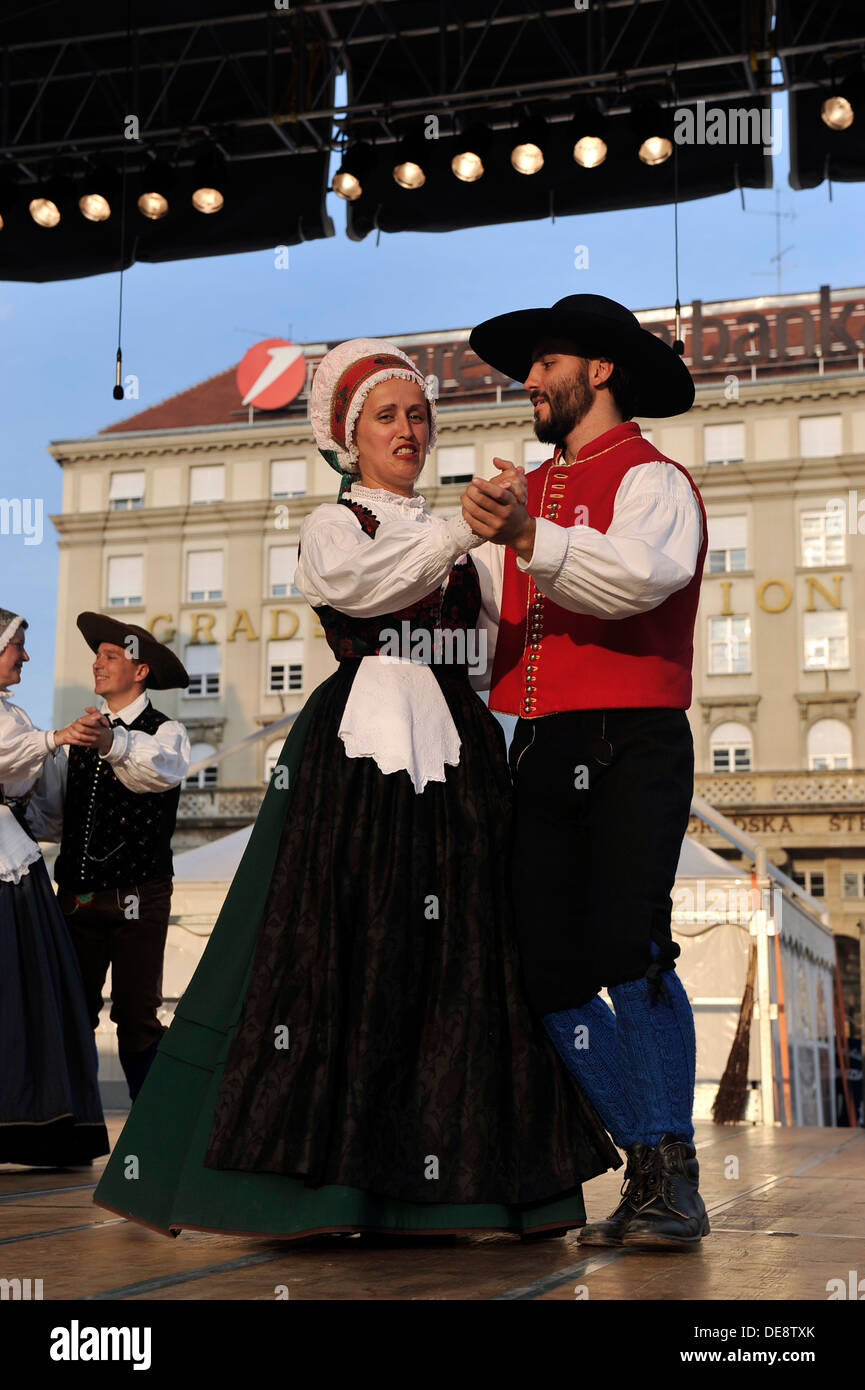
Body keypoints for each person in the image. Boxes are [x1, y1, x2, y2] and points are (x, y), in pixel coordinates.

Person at [93, 337, 619, 1241]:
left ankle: (462, 1187)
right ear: (349, 436)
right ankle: (329, 1188)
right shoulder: (336, 524)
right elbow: (363, 589)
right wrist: (465, 529)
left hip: (457, 745)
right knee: (345, 948)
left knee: (463, 959)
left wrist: (526, 532)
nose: (407, 430)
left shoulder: (464, 538)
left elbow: (506, 627)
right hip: (364, 742)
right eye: (387, 417)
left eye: (417, 415)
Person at [461, 294, 710, 1250]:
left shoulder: (654, 480)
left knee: (628, 946)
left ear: (598, 370)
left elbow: (640, 579)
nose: (527, 380)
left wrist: (527, 536)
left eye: (545, 362)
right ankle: (647, 1160)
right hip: (541, 740)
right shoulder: (525, 488)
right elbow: (489, 622)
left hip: (630, 737)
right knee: (547, 971)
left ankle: (670, 1172)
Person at [30, 615, 191, 1103]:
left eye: (110, 656)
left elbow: (160, 773)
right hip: (77, 895)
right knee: (70, 1010)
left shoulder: (166, 732)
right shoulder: (83, 732)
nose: (97, 664)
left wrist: (113, 742)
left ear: (140, 671)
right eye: (97, 656)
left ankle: (153, 1133)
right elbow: (56, 818)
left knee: (136, 1014)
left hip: (137, 894)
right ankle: (72, 1129)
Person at [0, 607, 109, 1166]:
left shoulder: (13, 716)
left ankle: (36, 1127)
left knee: (32, 991)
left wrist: (77, 750)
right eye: (17, 645)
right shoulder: (17, 726)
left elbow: (43, 808)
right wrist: (56, 737)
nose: (25, 656)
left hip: (14, 862)